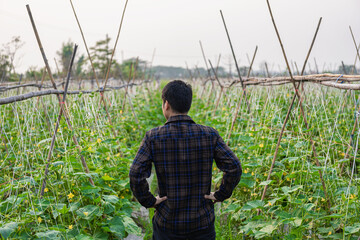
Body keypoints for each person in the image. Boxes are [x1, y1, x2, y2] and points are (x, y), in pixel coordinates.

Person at [129, 80, 242, 240]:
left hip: (167, 224)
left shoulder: (153, 137)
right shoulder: (209, 134)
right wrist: (220, 195)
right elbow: (234, 167)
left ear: (166, 104)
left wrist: (149, 201)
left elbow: (135, 173)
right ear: (188, 104)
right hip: (202, 223)